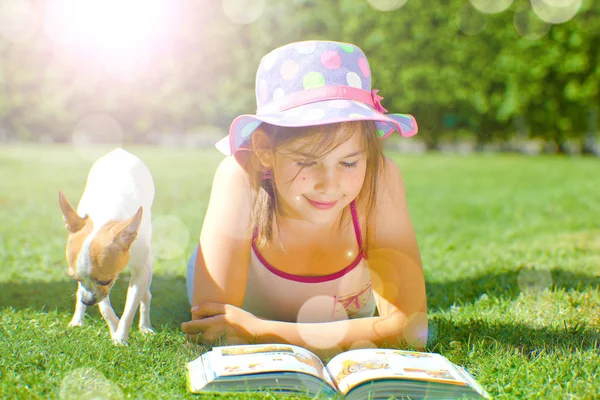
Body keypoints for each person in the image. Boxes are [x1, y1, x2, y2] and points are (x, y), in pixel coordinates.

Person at [181, 40, 427, 357]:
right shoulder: (240, 178)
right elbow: (213, 326)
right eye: (308, 162)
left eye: (349, 162)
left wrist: (259, 331)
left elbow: (411, 329)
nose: (329, 185)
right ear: (264, 150)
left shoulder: (379, 178)